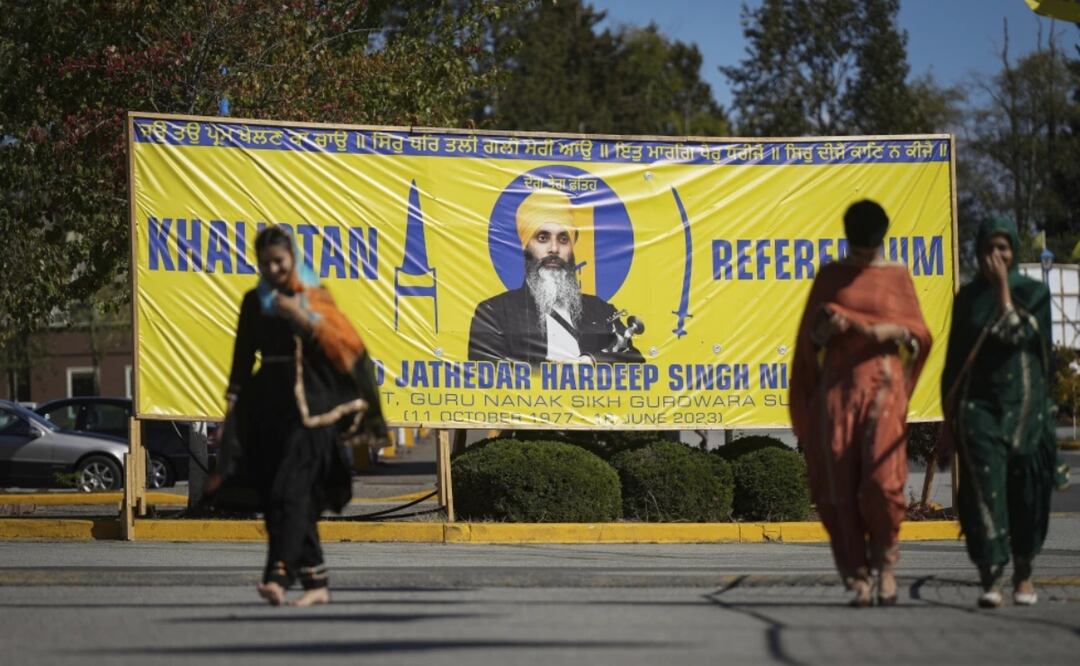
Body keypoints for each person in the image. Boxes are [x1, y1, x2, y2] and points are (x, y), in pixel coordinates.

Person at [210, 225, 385, 607]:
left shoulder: (313, 296)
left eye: (280, 261)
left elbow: (345, 346)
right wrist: (232, 408)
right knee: (280, 497)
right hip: (269, 410)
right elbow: (242, 358)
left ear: (293, 259)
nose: (273, 269)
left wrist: (300, 317)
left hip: (314, 412)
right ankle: (316, 583)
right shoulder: (254, 301)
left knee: (291, 491)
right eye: (266, 263)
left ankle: (278, 575)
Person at [790, 200, 932, 607]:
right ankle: (856, 574)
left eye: (869, 248)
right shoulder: (831, 276)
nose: (864, 256)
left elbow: (918, 334)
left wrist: (886, 331)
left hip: (884, 388)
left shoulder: (896, 276)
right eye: (858, 247)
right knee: (836, 482)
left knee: (881, 481)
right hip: (838, 390)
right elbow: (807, 343)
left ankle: (885, 563)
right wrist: (824, 331)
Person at [940, 216, 1057, 608]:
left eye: (1003, 248)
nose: (996, 255)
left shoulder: (1034, 293)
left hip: (1027, 411)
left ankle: (1024, 573)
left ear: (1014, 252)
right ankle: (991, 576)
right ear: (978, 251)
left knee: (1026, 492)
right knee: (984, 492)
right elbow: (954, 363)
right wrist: (947, 421)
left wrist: (1004, 290)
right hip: (979, 411)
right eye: (990, 248)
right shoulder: (969, 299)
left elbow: (1022, 337)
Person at [468, 187, 644, 365]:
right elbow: (484, 370)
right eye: (542, 238)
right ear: (526, 246)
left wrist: (591, 361)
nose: (554, 249)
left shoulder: (600, 310)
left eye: (563, 239)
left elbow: (635, 362)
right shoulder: (494, 312)